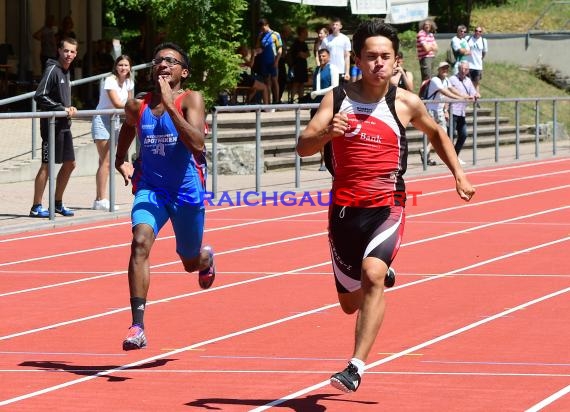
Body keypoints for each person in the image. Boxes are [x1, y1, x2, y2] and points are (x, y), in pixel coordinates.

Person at [296, 19, 475, 393]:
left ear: (396, 61)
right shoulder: (337, 99)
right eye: (371, 56)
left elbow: (437, 133)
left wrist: (458, 174)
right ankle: (373, 276)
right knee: (349, 304)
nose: (378, 63)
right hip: (344, 210)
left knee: (373, 275)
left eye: (385, 56)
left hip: (386, 205)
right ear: (358, 59)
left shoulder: (405, 102)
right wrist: (329, 132)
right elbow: (304, 145)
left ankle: (355, 366)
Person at [114, 42, 216, 351]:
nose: (163, 64)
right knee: (140, 242)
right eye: (158, 60)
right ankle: (137, 326)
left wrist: (171, 105)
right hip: (151, 189)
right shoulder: (137, 105)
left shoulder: (192, 99)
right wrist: (121, 159)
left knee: (189, 261)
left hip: (186, 192)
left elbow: (197, 142)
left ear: (183, 72)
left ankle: (206, 259)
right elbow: (128, 128)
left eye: (171, 61)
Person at [30, 37, 79, 218]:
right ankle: (36, 206)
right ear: (59, 50)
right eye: (66, 51)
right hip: (51, 126)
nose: (69, 55)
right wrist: (62, 109)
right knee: (47, 165)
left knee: (70, 164)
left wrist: (69, 108)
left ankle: (57, 203)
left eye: (72, 51)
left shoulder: (66, 72)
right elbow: (40, 95)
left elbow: (59, 98)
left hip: (64, 125)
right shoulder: (52, 69)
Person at [91, 54, 135, 211]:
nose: (123, 68)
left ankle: (98, 199)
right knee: (107, 161)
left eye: (126, 65)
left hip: (115, 120)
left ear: (130, 67)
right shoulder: (110, 80)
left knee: (104, 161)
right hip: (102, 119)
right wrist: (133, 107)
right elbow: (117, 103)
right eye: (120, 65)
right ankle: (101, 199)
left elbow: (129, 103)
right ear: (116, 67)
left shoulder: (129, 82)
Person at [421, 61, 471, 166]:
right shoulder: (435, 80)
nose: (445, 71)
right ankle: (425, 151)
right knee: (440, 133)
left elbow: (452, 89)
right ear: (438, 70)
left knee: (436, 134)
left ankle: (425, 153)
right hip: (431, 110)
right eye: (443, 69)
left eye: (446, 69)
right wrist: (460, 98)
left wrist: (464, 96)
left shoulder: (446, 80)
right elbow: (445, 92)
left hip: (439, 111)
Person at [310, 48, 339, 171]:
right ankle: (322, 160)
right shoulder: (317, 70)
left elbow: (335, 86)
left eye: (324, 56)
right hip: (316, 103)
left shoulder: (332, 68)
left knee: (328, 132)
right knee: (317, 133)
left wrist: (318, 92)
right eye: (320, 56)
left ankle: (330, 160)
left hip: (328, 103)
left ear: (328, 56)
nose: (322, 58)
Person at [448, 61, 479, 164]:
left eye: (465, 69)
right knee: (451, 135)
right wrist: (465, 96)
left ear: (468, 70)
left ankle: (455, 156)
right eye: (461, 68)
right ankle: (450, 158)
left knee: (464, 134)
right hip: (452, 110)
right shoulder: (452, 79)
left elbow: (473, 93)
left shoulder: (468, 81)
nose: (463, 70)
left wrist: (476, 95)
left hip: (461, 112)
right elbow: (451, 91)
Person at [255, 18, 283, 104]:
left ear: (267, 25)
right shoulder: (261, 35)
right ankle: (268, 102)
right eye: (260, 28)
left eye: (263, 28)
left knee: (275, 80)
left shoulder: (275, 34)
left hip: (273, 61)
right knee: (267, 81)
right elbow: (257, 48)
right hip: (264, 61)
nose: (262, 30)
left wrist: (276, 61)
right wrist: (258, 39)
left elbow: (280, 49)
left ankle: (277, 100)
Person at [321, 17, 351, 83]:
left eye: (336, 24)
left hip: (341, 71)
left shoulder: (345, 39)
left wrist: (347, 72)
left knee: (341, 92)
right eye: (333, 24)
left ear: (340, 26)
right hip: (329, 70)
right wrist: (322, 69)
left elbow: (347, 56)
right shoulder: (326, 40)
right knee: (329, 92)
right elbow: (322, 56)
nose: (334, 26)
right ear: (330, 26)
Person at [288, 26, 310, 103]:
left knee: (302, 83)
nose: (307, 34)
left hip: (303, 66)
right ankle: (292, 99)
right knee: (296, 83)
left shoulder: (304, 43)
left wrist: (304, 54)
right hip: (296, 66)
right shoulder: (295, 43)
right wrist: (303, 54)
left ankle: (301, 99)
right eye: (305, 33)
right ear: (301, 33)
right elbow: (300, 54)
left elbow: (308, 54)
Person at [466, 26, 488, 94]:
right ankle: (467, 98)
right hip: (468, 65)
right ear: (474, 31)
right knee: (467, 82)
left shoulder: (483, 41)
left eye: (479, 31)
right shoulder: (468, 38)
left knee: (476, 83)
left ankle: (476, 100)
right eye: (476, 30)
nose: (477, 32)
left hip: (478, 66)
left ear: (481, 33)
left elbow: (484, 52)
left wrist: (480, 59)